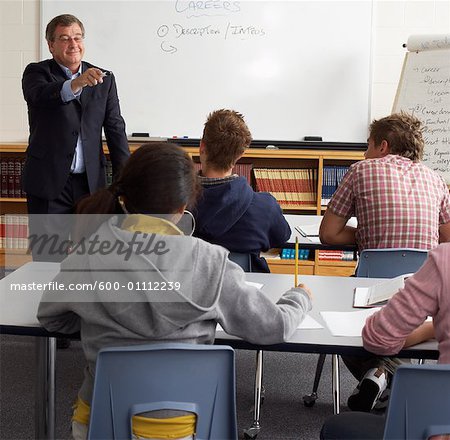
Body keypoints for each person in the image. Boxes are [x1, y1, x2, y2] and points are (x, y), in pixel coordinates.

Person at [37, 142, 312, 440]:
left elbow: (52, 318)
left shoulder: (87, 255)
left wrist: (98, 318)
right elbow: (274, 327)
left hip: (101, 426)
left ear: (124, 199)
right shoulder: (211, 261)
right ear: (183, 209)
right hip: (189, 428)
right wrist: (299, 298)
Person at [318, 112, 450, 411]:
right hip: (423, 288)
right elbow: (447, 240)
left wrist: (370, 235)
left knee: (341, 324)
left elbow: (329, 234)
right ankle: (382, 375)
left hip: (370, 282)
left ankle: (380, 374)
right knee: (404, 327)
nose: (365, 152)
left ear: (383, 146)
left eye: (368, 144)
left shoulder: (360, 170)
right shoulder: (436, 179)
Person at [22, 14, 130, 262]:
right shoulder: (36, 73)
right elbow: (39, 96)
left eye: (77, 37)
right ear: (51, 45)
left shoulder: (104, 78)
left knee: (93, 259)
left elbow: (115, 129)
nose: (73, 44)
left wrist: (127, 180)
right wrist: (76, 84)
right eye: (64, 38)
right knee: (47, 260)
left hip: (91, 186)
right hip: (49, 185)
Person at [320, 242, 450, 439]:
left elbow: (378, 336)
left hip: (440, 427)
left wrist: (434, 326)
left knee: (336, 426)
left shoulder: (445, 261)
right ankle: (382, 375)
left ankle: (382, 375)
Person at [192, 109, 291, 272]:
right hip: (245, 291)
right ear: (240, 154)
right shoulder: (265, 207)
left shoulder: (175, 205)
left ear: (202, 147)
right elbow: (282, 237)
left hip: (191, 292)